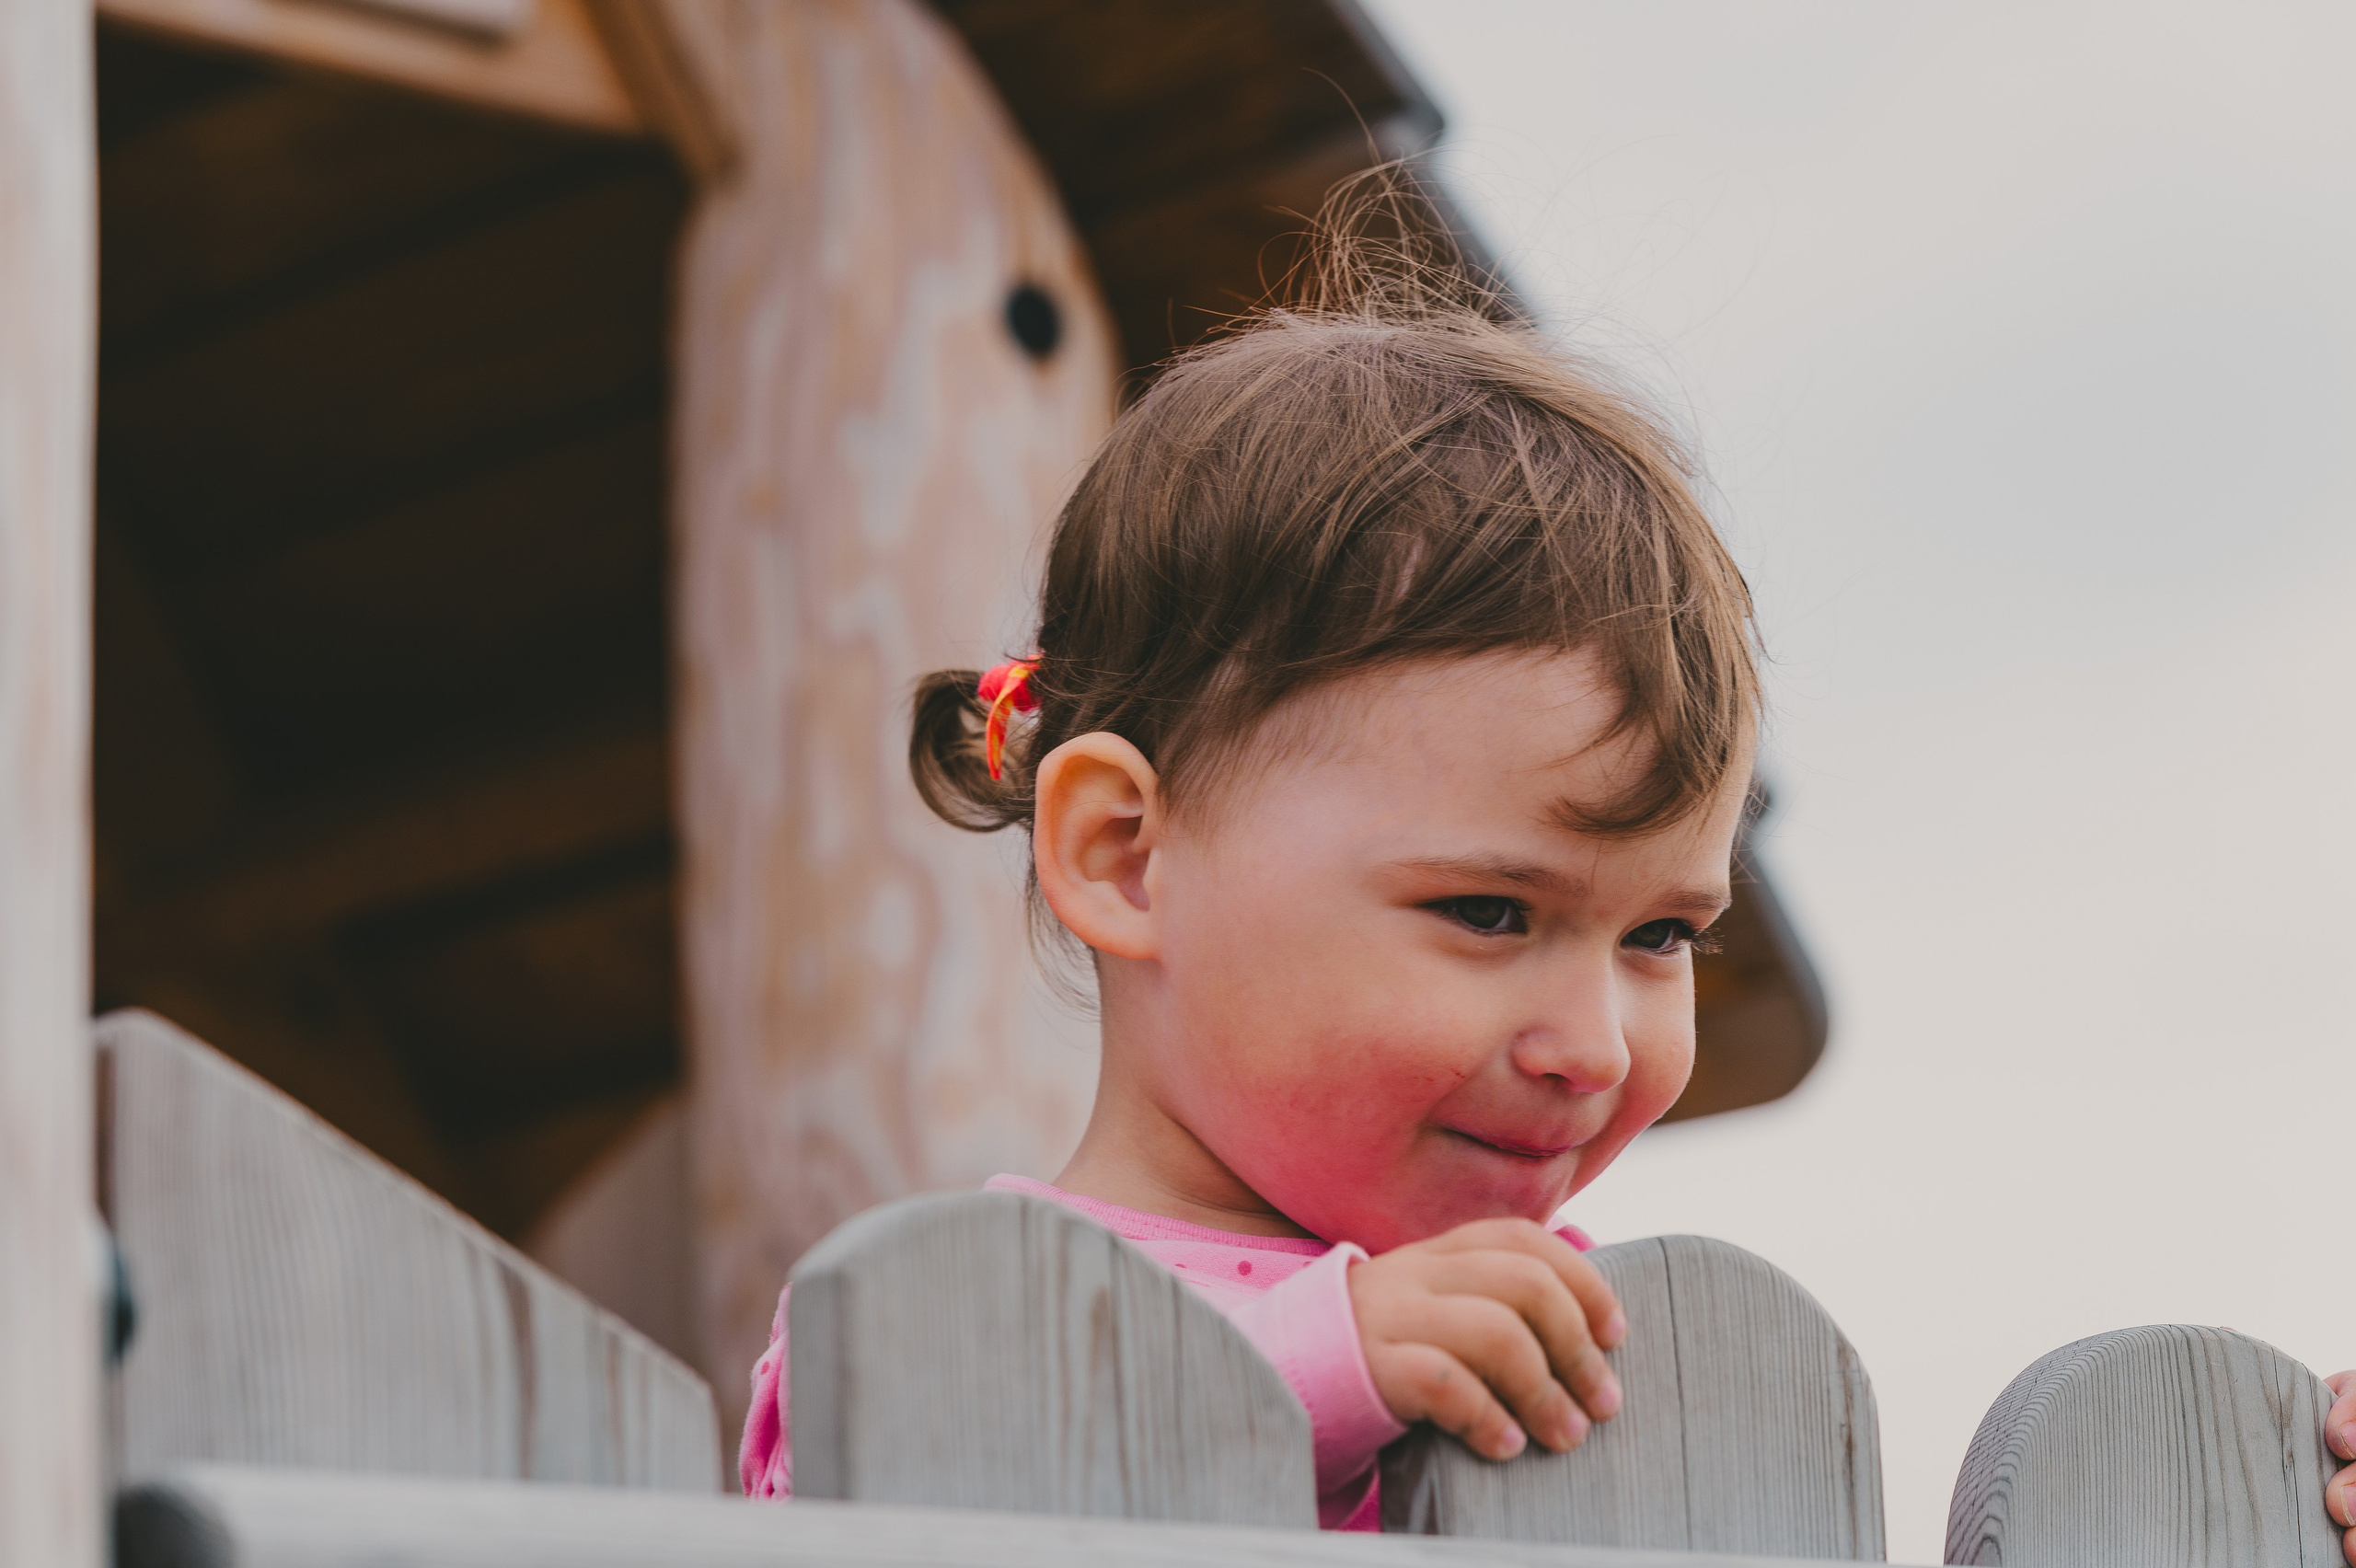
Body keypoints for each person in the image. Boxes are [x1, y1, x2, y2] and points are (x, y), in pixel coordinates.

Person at [739, 199, 2356, 1554]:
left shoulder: (1650, 1377)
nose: (1594, 1043)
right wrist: (1324, 1366)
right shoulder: (925, 1341)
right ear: (1124, 855)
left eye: (1663, 933)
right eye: (1490, 911)